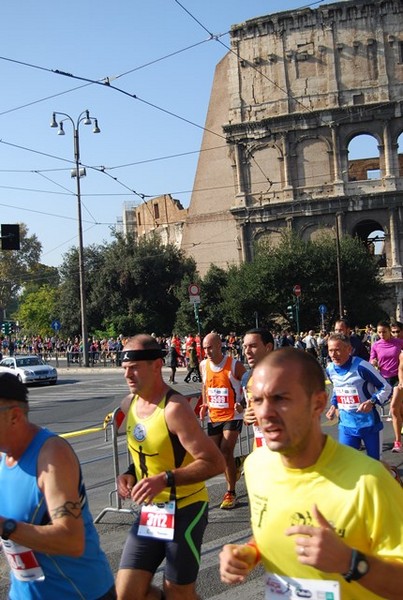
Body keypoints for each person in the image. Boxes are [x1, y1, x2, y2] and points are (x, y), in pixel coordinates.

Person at [219, 348, 403, 600]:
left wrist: (350, 563)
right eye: (257, 400)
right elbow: (274, 526)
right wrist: (250, 552)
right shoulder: (255, 466)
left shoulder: (370, 481)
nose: (265, 413)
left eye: (281, 398)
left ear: (318, 402)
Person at [116, 334, 225, 600]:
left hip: (187, 508)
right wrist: (129, 474)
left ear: (156, 365)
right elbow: (148, 453)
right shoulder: (128, 404)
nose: (128, 375)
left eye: (134, 368)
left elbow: (215, 463)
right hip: (152, 511)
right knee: (126, 593)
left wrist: (164, 479)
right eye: (124, 369)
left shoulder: (175, 409)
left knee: (177, 593)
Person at [0, 372, 115, 600]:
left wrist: (6, 527)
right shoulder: (4, 457)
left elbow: (72, 541)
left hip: (78, 594)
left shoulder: (51, 456)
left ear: (14, 416)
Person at [325, 333, 392, 460]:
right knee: (348, 464)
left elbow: (386, 387)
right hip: (347, 425)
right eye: (330, 350)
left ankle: (393, 476)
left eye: (337, 350)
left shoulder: (362, 366)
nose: (333, 355)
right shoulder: (330, 369)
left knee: (376, 465)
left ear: (349, 349)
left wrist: (372, 401)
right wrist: (334, 405)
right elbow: (337, 389)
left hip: (369, 425)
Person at [199, 332, 246, 509]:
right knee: (215, 456)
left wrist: (242, 404)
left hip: (233, 415)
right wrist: (204, 403)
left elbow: (250, 384)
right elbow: (205, 385)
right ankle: (235, 464)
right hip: (214, 415)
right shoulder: (204, 365)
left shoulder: (234, 365)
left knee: (225, 450)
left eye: (210, 347)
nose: (207, 351)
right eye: (204, 348)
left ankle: (230, 493)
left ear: (219, 346)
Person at [370, 320, 403, 452]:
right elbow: (371, 359)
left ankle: (397, 443)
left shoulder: (399, 343)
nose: (382, 334)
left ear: (389, 331)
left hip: (398, 378)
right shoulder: (376, 345)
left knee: (394, 408)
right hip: (383, 379)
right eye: (379, 332)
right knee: (399, 408)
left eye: (384, 331)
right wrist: (373, 361)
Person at [241, 328, 274, 448]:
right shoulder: (246, 378)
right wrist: (246, 416)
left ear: (268, 347)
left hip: (287, 452)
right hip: (260, 447)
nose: (247, 351)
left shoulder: (286, 376)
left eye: (253, 346)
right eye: (245, 347)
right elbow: (247, 408)